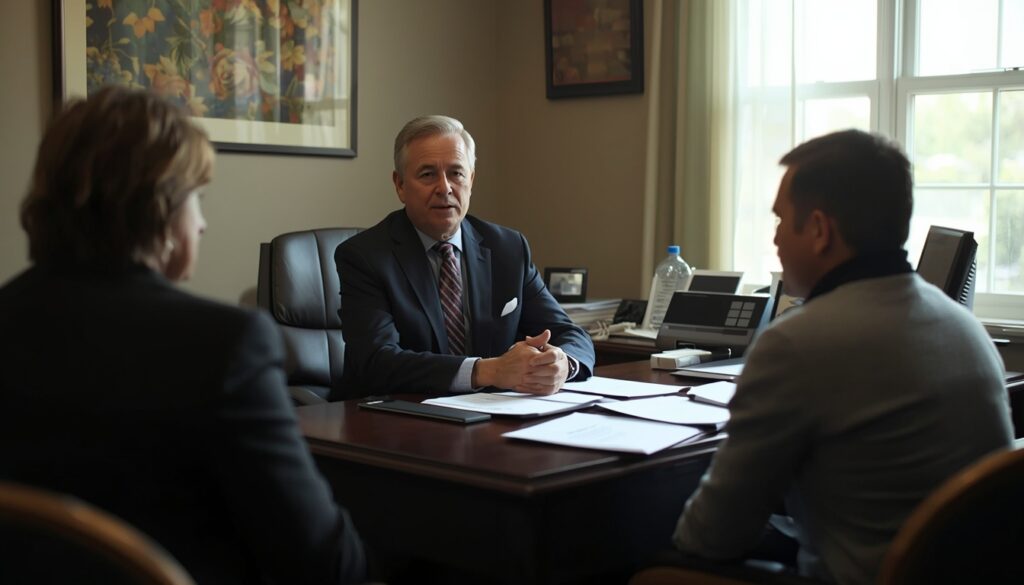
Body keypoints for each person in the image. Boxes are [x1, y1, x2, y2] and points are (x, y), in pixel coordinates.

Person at [0, 87, 366, 584]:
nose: (203, 224)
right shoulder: (225, 345)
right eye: (198, 199)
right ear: (160, 208)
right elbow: (326, 563)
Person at [671, 129, 1013, 585]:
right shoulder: (963, 326)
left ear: (818, 230)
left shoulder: (797, 342)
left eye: (780, 220)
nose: (774, 238)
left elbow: (710, 537)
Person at [334, 115, 595, 400]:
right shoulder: (365, 257)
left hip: (491, 416)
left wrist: (561, 365)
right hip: (395, 419)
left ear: (470, 180)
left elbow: (570, 334)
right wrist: (487, 371)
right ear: (399, 185)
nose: (444, 187)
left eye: (456, 173)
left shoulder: (508, 248)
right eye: (427, 174)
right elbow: (377, 363)